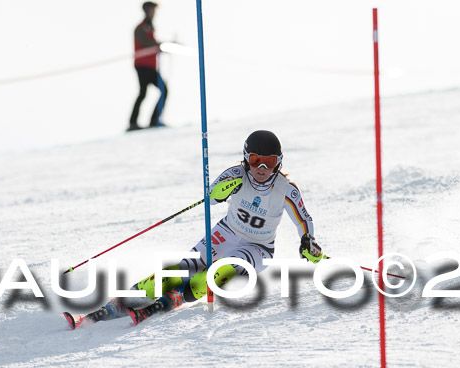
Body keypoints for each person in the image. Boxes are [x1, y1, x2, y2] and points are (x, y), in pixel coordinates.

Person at [64, 130, 323, 329]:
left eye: (269, 161)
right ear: (246, 158)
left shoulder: (285, 190)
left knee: (215, 272)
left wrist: (307, 240)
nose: (262, 169)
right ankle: (117, 304)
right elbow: (211, 198)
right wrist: (219, 192)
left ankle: (169, 301)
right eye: (256, 160)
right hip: (226, 232)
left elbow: (303, 219)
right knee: (181, 269)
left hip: (257, 248)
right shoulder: (236, 175)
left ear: (279, 162)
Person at [128, 1, 168, 131]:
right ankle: (133, 122)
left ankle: (154, 120)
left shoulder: (150, 27)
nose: (154, 12)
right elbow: (145, 42)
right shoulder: (141, 27)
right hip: (142, 65)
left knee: (163, 90)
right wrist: (159, 45)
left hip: (151, 66)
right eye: (152, 9)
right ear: (146, 10)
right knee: (143, 92)